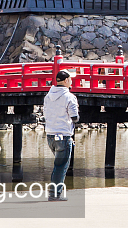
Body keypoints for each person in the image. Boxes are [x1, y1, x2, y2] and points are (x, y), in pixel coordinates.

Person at [43, 70, 79, 201]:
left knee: (58, 164)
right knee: (61, 166)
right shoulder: (69, 97)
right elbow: (74, 117)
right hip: (63, 136)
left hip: (50, 135)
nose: (72, 81)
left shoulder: (48, 96)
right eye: (70, 79)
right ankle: (54, 195)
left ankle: (54, 192)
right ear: (66, 81)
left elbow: (45, 114)